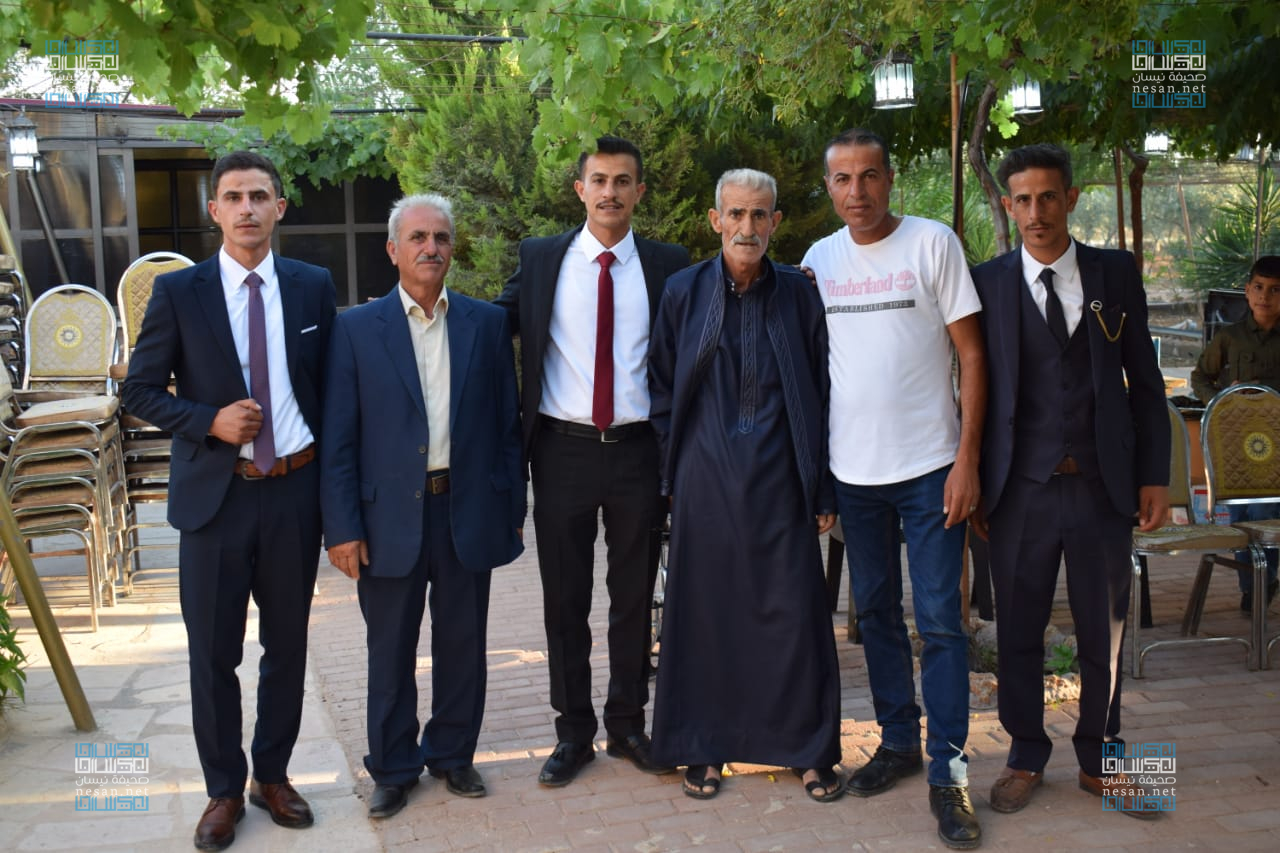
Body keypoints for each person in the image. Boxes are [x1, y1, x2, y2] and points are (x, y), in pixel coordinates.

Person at [123, 151, 336, 851]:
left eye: (260, 196)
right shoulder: (180, 293)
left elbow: (331, 390)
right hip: (215, 500)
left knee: (287, 646)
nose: (248, 208)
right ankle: (222, 788)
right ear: (214, 210)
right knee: (213, 653)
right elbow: (139, 391)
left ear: (279, 208)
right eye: (235, 197)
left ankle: (272, 775)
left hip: (294, 493)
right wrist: (207, 420)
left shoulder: (311, 286)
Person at [970, 143, 1170, 820]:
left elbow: (1145, 383)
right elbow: (972, 388)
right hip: (1017, 489)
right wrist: (972, 477)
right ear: (1007, 205)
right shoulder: (987, 282)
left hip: (1101, 486)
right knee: (1018, 631)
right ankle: (1025, 754)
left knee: (1103, 633)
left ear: (1072, 198)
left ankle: (1101, 757)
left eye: (1048, 197)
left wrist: (1155, 476)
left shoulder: (1115, 272)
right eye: (1023, 200)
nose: (1037, 212)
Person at [801, 128, 985, 849]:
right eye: (843, 179)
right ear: (829, 188)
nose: (858, 191)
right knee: (874, 613)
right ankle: (900, 740)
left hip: (932, 467)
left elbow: (973, 355)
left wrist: (967, 459)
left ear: (891, 178)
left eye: (870, 176)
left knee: (939, 622)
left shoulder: (933, 243)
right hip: (855, 477)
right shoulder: (818, 261)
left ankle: (949, 772)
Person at [320, 194, 525, 818]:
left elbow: (507, 425)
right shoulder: (355, 329)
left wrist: (510, 507)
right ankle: (393, 767)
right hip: (386, 520)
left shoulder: (486, 324)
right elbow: (339, 438)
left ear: (452, 249)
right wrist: (342, 527)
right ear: (393, 250)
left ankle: (454, 755)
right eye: (417, 238)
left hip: (465, 510)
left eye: (440, 237)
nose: (430, 247)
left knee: (463, 643)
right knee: (390, 651)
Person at [495, 135, 690, 787]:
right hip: (562, 452)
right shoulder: (542, 258)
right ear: (580, 190)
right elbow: (493, 326)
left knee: (633, 597)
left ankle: (628, 724)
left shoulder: (667, 265)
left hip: (639, 453)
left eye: (622, 181)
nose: (610, 191)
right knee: (565, 599)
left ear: (639, 191)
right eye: (599, 180)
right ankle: (573, 731)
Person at [648, 168, 843, 802]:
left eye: (760, 215)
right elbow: (661, 388)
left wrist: (821, 485)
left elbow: (822, 390)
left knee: (794, 615)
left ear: (775, 223)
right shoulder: (682, 291)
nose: (747, 227)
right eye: (735, 214)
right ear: (715, 221)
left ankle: (807, 750)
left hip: (783, 476)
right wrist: (671, 473)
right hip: (705, 477)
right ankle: (703, 747)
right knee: (705, 615)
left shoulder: (799, 294)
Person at [1188, 255, 1280, 611]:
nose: (1265, 296)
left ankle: (1263, 580)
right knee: (1241, 515)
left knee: (1267, 510)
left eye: (1275, 290)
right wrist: (1222, 401)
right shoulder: (1230, 337)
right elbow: (1200, 377)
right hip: (1237, 443)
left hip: (1276, 444)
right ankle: (1252, 586)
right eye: (1258, 287)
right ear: (1247, 291)